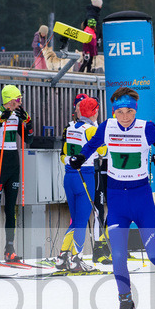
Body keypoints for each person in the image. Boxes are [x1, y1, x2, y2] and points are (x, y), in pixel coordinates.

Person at [69, 87, 155, 309]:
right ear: (114, 112)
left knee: (154, 254)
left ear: (135, 110)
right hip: (118, 200)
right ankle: (125, 304)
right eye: (120, 112)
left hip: (141, 199)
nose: (124, 116)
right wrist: (80, 157)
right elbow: (90, 147)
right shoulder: (107, 127)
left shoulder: (145, 127)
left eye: (129, 111)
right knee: (118, 255)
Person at [0, 84, 33, 263]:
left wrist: (28, 121)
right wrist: (0, 121)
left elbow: (29, 138)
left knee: (12, 209)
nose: (20, 102)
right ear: (10, 100)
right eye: (18, 99)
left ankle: (9, 249)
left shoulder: (18, 116)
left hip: (13, 160)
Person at [55, 94, 102, 273]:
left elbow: (64, 154)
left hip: (69, 176)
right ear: (94, 112)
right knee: (82, 221)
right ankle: (77, 259)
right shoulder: (91, 129)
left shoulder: (70, 127)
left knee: (75, 220)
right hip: (85, 175)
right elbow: (103, 151)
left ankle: (62, 257)